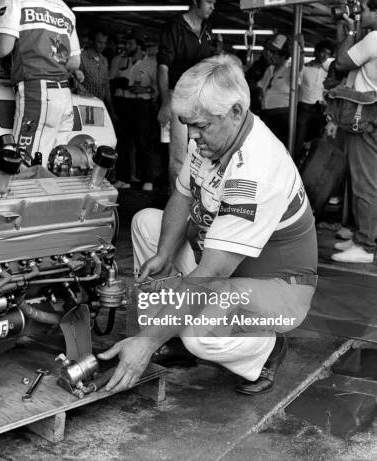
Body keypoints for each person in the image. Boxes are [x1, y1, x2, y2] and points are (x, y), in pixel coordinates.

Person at [99, 55, 318, 396]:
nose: (192, 136)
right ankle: (171, 336)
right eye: (188, 125)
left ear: (235, 112)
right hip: (228, 263)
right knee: (146, 224)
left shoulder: (255, 171)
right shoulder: (212, 137)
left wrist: (145, 342)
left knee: (199, 335)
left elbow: (212, 273)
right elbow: (183, 195)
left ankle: (267, 349)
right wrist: (164, 254)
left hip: (276, 286)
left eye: (201, 126)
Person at [0, 0, 81, 163]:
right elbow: (74, 62)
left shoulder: (16, 1)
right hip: (63, 95)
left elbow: (2, 48)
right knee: (54, 164)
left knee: (23, 163)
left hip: (36, 90)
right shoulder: (65, 9)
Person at [329, 0, 377, 264]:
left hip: (366, 113)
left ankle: (366, 245)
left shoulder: (374, 38)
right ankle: (363, 236)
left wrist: (348, 32)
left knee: (365, 182)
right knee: (370, 179)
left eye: (367, 10)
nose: (362, 15)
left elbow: (342, 62)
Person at [157, 0, 215, 189]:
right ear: (195, 1)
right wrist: (166, 102)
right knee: (179, 155)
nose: (212, 6)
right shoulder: (174, 27)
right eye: (209, 2)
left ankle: (200, 200)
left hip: (201, 98)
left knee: (203, 151)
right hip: (178, 96)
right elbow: (163, 67)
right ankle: (177, 202)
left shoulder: (207, 28)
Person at [109, 34, 157, 190]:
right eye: (126, 43)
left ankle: (147, 179)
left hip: (141, 104)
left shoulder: (151, 63)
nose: (126, 47)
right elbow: (109, 80)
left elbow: (157, 87)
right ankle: (123, 178)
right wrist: (118, 83)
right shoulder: (118, 60)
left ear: (139, 46)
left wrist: (145, 89)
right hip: (123, 103)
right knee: (123, 142)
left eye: (130, 44)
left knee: (142, 142)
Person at [257, 34, 304, 146]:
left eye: (275, 53)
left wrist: (300, 50)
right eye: (270, 52)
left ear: (284, 56)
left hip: (281, 117)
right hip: (266, 115)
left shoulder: (290, 70)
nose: (270, 55)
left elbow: (299, 65)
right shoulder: (270, 69)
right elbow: (261, 85)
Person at [294, 40, 335, 163]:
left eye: (328, 54)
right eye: (323, 52)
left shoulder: (326, 73)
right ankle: (295, 164)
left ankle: (310, 166)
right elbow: (296, 85)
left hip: (319, 110)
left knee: (316, 142)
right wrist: (301, 46)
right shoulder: (304, 69)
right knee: (299, 141)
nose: (325, 56)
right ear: (316, 52)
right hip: (304, 108)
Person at [78, 29, 113, 116]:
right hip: (83, 105)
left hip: (100, 106)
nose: (102, 46)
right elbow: (75, 82)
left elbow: (106, 85)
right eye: (99, 42)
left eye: (104, 43)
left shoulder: (104, 60)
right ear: (91, 41)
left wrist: (111, 109)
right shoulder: (81, 57)